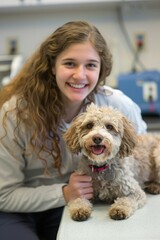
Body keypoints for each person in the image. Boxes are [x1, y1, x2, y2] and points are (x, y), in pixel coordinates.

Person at [0, 20, 147, 240]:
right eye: (69, 63)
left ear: (101, 69)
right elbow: (4, 194)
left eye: (90, 65)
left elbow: (140, 154)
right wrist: (65, 193)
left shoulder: (118, 105)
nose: (80, 75)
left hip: (78, 206)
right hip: (19, 211)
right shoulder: (15, 114)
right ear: (51, 66)